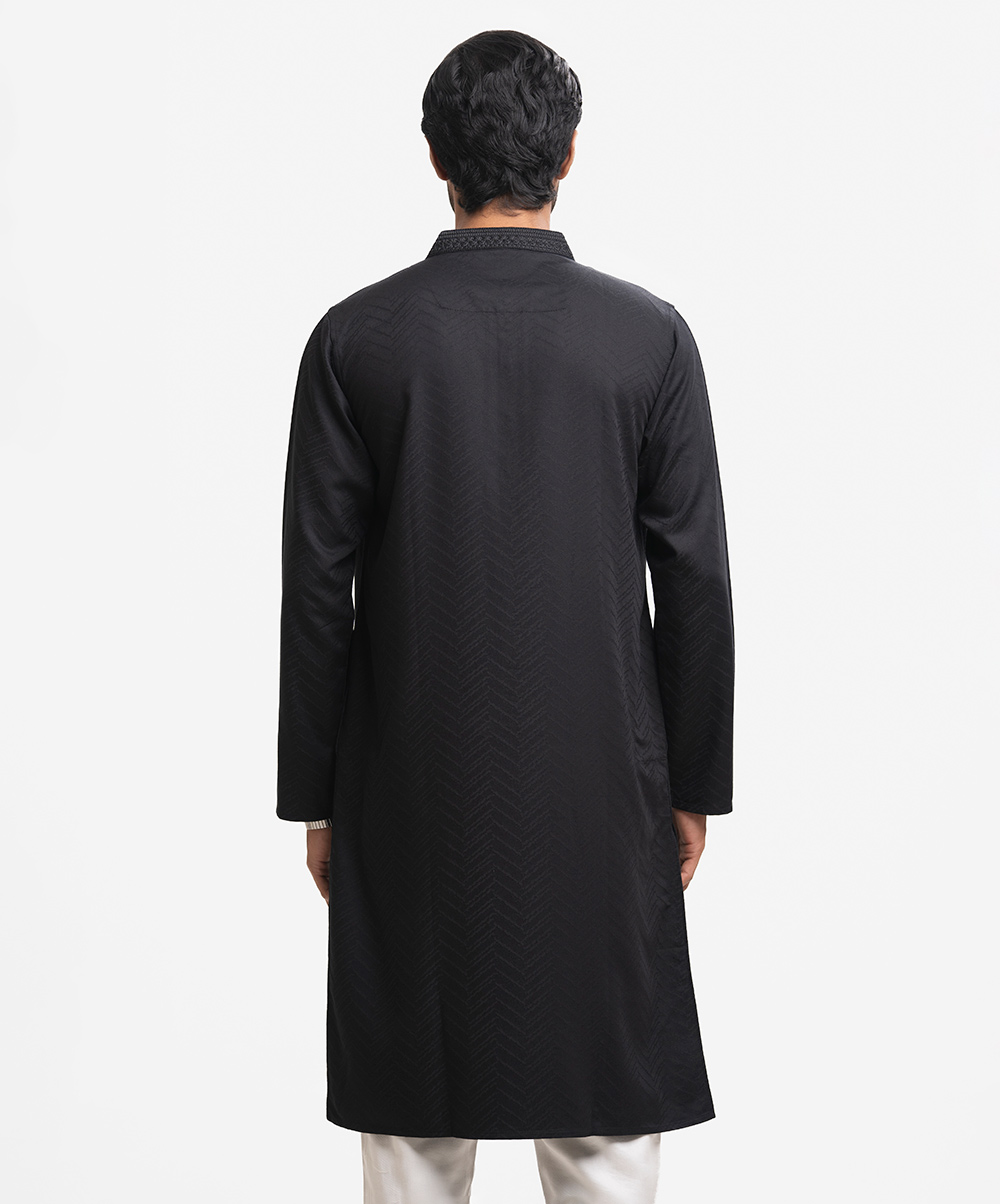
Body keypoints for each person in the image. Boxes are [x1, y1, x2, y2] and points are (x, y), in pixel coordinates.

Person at [277, 29, 736, 1204]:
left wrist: (318, 798)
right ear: (567, 155)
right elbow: (692, 576)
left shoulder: (354, 338)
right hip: (602, 788)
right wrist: (691, 783)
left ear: (436, 157)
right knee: (602, 1128)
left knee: (414, 1134)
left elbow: (317, 588)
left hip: (407, 787)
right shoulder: (648, 336)